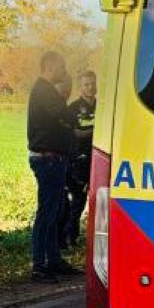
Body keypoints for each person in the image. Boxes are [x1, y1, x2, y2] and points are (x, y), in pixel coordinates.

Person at [27, 50, 80, 282]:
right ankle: (39, 265)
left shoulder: (46, 91)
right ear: (49, 67)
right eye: (61, 67)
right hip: (47, 159)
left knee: (55, 210)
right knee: (47, 212)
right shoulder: (45, 91)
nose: (64, 72)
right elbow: (66, 116)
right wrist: (73, 114)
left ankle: (53, 259)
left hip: (54, 158)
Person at [62, 69, 97, 249]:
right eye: (86, 85)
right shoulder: (73, 109)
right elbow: (74, 133)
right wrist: (97, 131)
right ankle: (69, 237)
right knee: (78, 200)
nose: (90, 88)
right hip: (79, 160)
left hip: (98, 158)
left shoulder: (103, 107)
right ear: (80, 87)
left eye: (92, 84)